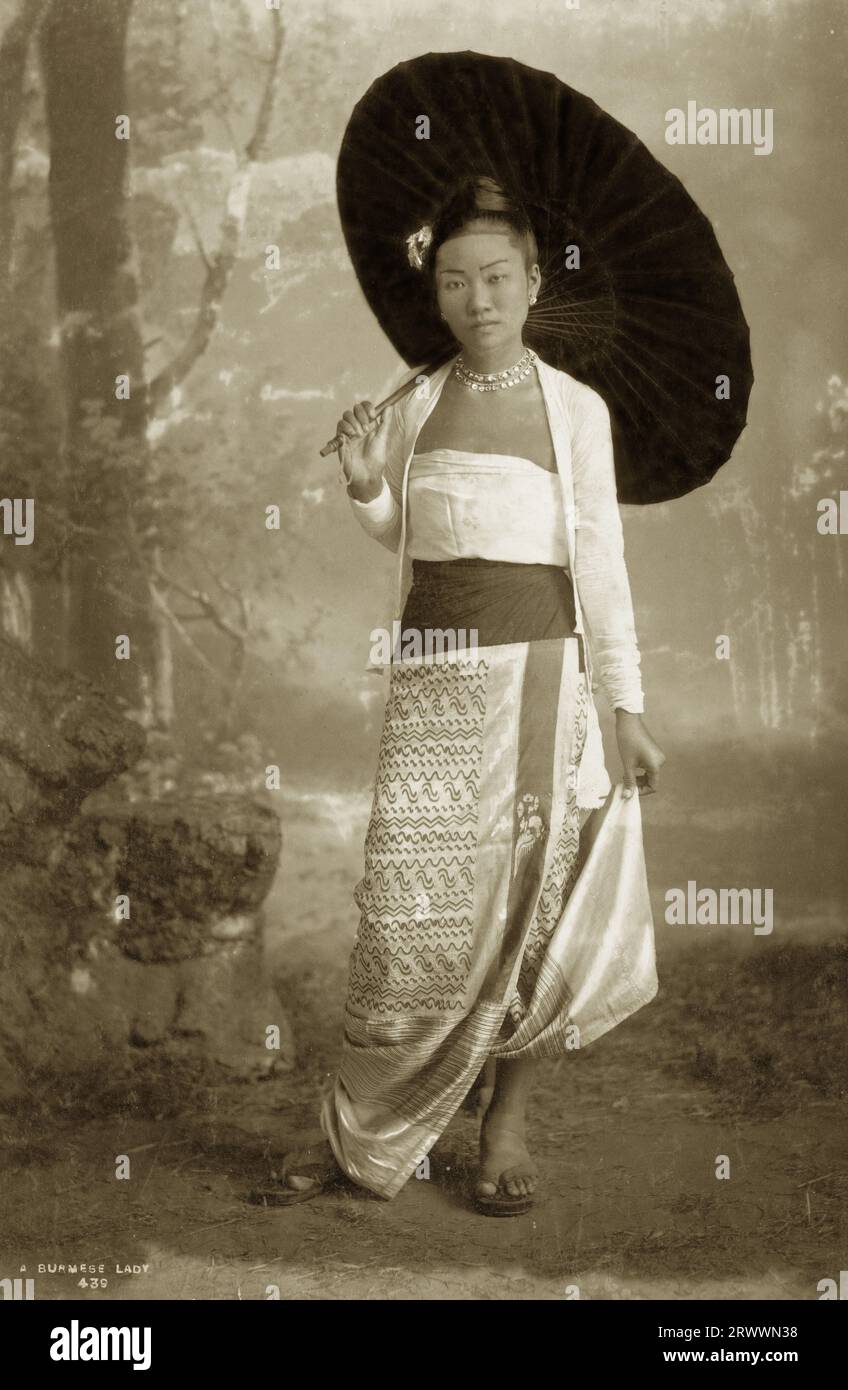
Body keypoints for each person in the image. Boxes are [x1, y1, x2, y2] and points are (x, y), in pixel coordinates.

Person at [262, 175, 665, 1215]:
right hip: (432, 683)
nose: (477, 298)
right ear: (434, 294)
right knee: (406, 917)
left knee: (530, 907)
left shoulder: (575, 411)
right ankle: (362, 1132)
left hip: (540, 683)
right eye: (455, 281)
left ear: (532, 283)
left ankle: (503, 1126)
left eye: (496, 277)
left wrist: (622, 708)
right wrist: (363, 480)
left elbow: (601, 564)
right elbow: (409, 536)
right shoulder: (415, 399)